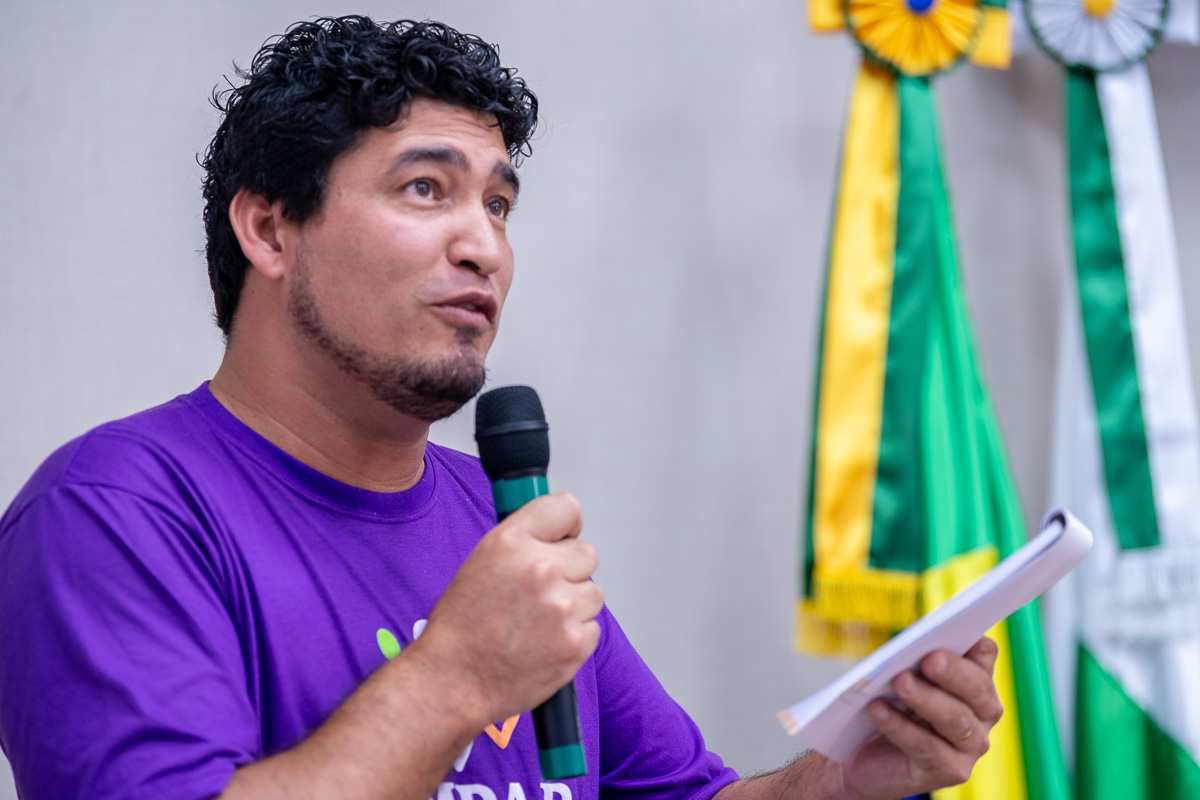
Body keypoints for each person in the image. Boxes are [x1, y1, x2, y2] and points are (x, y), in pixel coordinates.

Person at [0, 16, 1003, 800]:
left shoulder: (492, 512)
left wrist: (839, 780)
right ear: (269, 228)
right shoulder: (113, 515)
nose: (483, 245)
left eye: (498, 205)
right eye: (424, 188)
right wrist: (453, 678)